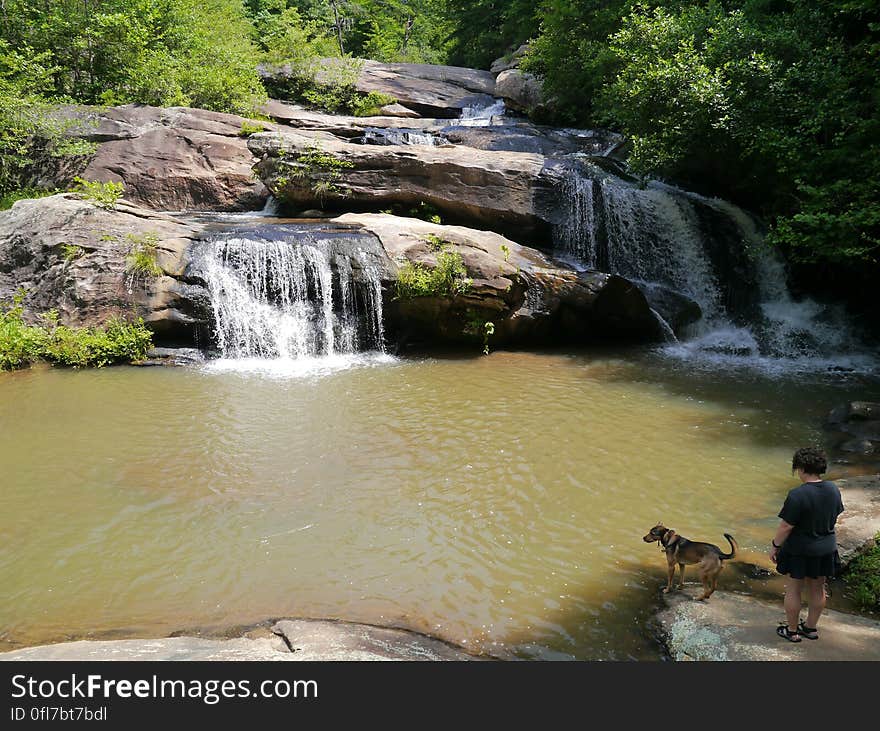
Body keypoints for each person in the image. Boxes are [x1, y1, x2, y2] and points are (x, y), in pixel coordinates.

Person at [770, 446, 844, 642]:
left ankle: (792, 631)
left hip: (800, 550)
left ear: (801, 468)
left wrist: (775, 546)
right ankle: (810, 628)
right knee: (818, 588)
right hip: (826, 547)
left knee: (794, 589)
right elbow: (835, 513)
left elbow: (786, 526)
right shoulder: (833, 489)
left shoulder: (797, 495)